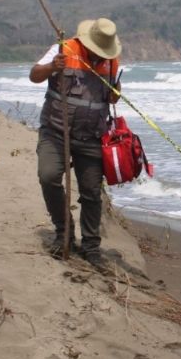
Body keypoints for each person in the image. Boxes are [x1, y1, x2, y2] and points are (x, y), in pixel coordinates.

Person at [29, 18, 122, 266]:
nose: (98, 55)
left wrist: (116, 92)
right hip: (56, 131)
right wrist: (52, 67)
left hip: (92, 136)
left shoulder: (112, 62)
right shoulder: (63, 49)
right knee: (48, 176)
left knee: (91, 192)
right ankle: (64, 233)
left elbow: (112, 97)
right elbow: (34, 75)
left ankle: (91, 246)